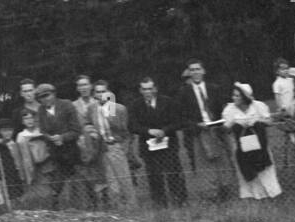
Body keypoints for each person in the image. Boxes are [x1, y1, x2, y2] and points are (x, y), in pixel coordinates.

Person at [175, 60, 231, 201]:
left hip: (216, 130)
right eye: (192, 70)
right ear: (189, 72)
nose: (195, 72)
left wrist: (220, 123)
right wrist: (196, 124)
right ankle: (210, 195)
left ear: (203, 71)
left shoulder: (214, 89)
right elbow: (181, 116)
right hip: (199, 132)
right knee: (205, 165)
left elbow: (222, 110)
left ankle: (225, 192)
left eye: (197, 69)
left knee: (221, 162)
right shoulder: (184, 92)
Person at [130, 76, 185, 207]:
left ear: (155, 89)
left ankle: (178, 201)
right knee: (154, 175)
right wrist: (149, 131)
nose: (147, 92)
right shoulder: (135, 105)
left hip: (168, 145)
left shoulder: (167, 102)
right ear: (140, 90)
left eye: (150, 89)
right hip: (149, 146)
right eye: (144, 89)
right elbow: (132, 126)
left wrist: (164, 131)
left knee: (173, 173)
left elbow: (178, 122)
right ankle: (160, 203)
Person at [222, 84, 280, 200]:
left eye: (237, 96)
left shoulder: (258, 106)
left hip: (259, 144)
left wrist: (257, 121)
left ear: (244, 97)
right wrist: (234, 123)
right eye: (234, 95)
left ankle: (271, 195)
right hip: (241, 146)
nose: (234, 98)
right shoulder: (229, 110)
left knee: (266, 172)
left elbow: (269, 121)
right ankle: (252, 196)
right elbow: (226, 128)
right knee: (246, 170)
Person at [92, 81, 136, 207]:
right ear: (94, 94)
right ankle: (117, 209)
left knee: (124, 179)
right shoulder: (92, 109)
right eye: (98, 92)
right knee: (111, 182)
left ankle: (132, 207)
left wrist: (124, 148)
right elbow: (87, 122)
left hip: (116, 146)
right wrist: (92, 131)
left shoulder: (118, 108)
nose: (101, 95)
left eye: (103, 91)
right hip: (102, 147)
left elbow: (127, 132)